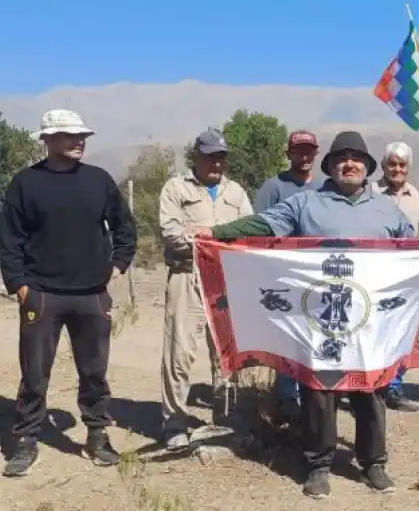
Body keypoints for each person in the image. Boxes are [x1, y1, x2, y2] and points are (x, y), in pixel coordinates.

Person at [195, 131, 414, 498]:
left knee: (371, 389)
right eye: (341, 158)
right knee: (318, 392)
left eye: (356, 158)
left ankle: (373, 462)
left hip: (369, 319)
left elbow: (416, 251)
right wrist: (216, 232)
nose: (349, 164)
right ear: (330, 165)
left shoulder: (387, 210)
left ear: (367, 166)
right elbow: (263, 224)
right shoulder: (305, 203)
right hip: (320, 317)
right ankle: (319, 464)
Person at [0, 109, 137, 477]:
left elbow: (125, 227)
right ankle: (26, 439)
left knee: (94, 371)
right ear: (47, 139)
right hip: (42, 294)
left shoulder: (98, 180)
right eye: (70, 135)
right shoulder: (25, 183)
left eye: (82, 136)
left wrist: (119, 264)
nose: (79, 141)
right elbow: (9, 239)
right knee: (34, 373)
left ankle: (97, 435)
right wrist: (19, 285)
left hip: (92, 294)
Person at [158, 128, 253, 451]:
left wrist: (202, 234)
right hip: (187, 276)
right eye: (210, 156)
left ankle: (225, 418)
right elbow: (171, 234)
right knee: (179, 352)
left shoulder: (236, 192)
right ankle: (174, 422)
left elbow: (248, 232)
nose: (216, 163)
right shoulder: (176, 188)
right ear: (196, 157)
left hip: (225, 279)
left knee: (227, 352)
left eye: (221, 157)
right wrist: (215, 239)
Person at [254, 129, 322, 422]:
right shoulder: (273, 187)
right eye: (298, 150)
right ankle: (286, 398)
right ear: (289, 154)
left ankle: (313, 395)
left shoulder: (324, 189)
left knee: (314, 335)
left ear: (315, 154)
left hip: (316, 275)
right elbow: (259, 227)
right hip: (282, 274)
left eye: (309, 151)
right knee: (287, 336)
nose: (304, 156)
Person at [374, 141, 419, 412]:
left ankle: (394, 387)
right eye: (392, 163)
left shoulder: (415, 195)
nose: (397, 169)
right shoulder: (370, 192)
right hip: (376, 271)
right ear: (383, 166)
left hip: (405, 273)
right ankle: (366, 387)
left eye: (402, 164)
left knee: (403, 329)